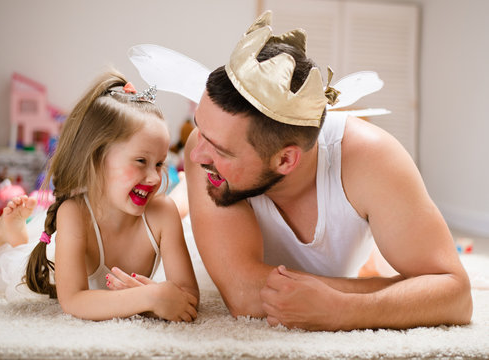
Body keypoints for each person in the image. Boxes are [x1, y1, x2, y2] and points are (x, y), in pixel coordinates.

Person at [183, 11, 472, 331]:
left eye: (220, 150)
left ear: (285, 161)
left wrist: (348, 310)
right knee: (172, 204)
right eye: (200, 128)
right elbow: (244, 296)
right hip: (193, 227)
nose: (196, 155)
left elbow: (456, 296)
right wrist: (400, 289)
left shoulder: (373, 159)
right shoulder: (206, 159)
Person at [0, 70, 199, 322]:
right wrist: (150, 298)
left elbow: (187, 297)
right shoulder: (74, 213)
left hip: (153, 215)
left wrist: (159, 298)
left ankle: (185, 188)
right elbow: (74, 300)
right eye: (141, 161)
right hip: (56, 259)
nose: (154, 178)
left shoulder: (162, 213)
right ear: (97, 159)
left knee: (176, 207)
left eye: (159, 164)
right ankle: (5, 230)